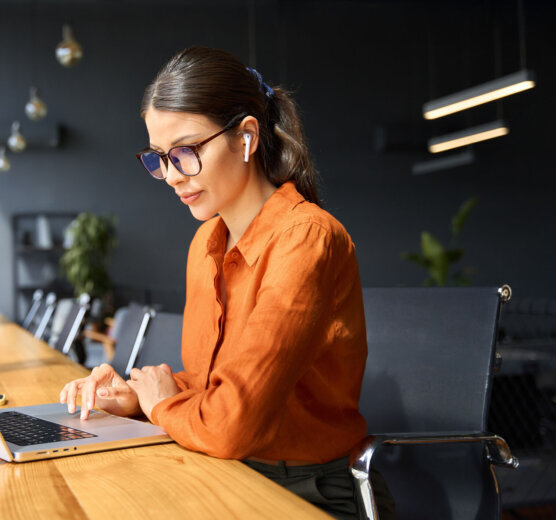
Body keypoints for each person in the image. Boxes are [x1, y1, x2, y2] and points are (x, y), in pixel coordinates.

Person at [60, 46, 394, 519]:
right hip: (228, 471)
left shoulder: (306, 239)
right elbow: (211, 386)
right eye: (160, 158)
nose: (173, 176)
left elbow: (233, 423)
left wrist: (160, 408)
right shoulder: (206, 244)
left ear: (246, 137)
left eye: (187, 152)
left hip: (310, 492)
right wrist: (138, 396)